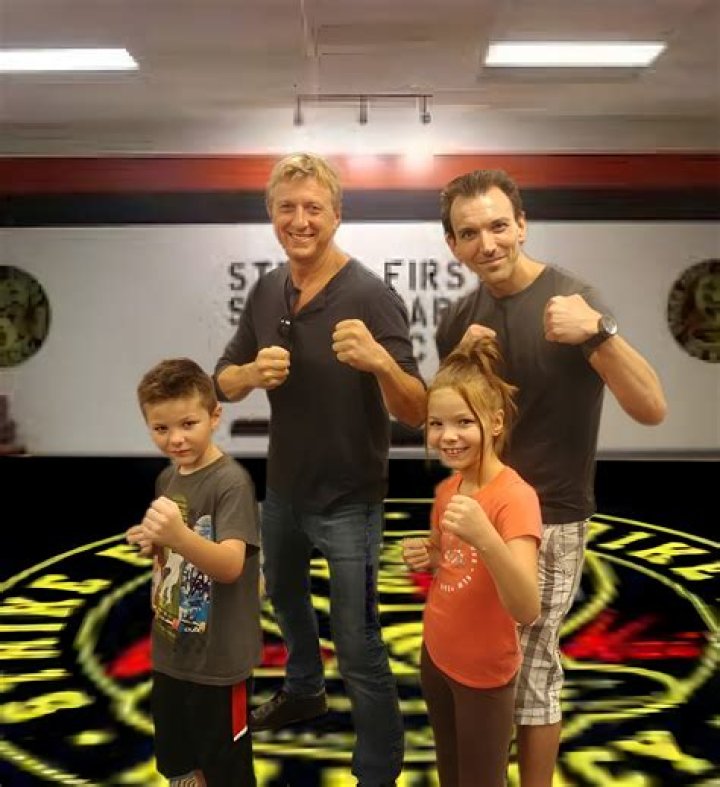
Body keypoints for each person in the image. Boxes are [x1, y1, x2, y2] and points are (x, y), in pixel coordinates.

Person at [435, 169, 667, 787]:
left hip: (552, 515)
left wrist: (600, 333)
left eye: (498, 226)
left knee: (531, 667)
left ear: (522, 225)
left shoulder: (575, 300)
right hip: (480, 510)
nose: (487, 243)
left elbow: (651, 408)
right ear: (453, 245)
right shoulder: (459, 317)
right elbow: (455, 422)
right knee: (479, 657)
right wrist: (458, 359)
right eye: (469, 233)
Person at [213, 152, 426, 786]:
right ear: (271, 215)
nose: (300, 220)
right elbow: (222, 380)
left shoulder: (371, 295)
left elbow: (418, 410)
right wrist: (250, 374)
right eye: (288, 208)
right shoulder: (267, 290)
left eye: (314, 208)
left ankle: (378, 770)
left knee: (358, 644)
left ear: (336, 215)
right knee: (283, 598)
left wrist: (380, 363)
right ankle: (304, 690)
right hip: (283, 490)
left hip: (350, 498)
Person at [403, 335, 541, 787]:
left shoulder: (516, 498)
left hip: (484, 671)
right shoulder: (449, 489)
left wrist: (485, 536)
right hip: (436, 655)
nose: (448, 436)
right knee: (450, 774)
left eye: (464, 421)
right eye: (436, 424)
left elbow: (527, 607)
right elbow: (455, 559)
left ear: (496, 423)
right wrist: (431, 555)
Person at [126, 357, 262, 787]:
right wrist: (153, 542)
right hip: (172, 650)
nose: (176, 439)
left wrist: (178, 536)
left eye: (188, 424)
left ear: (214, 416)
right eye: (161, 428)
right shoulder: (168, 479)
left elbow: (231, 565)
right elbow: (174, 554)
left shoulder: (231, 483)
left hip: (219, 661)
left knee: (226, 768)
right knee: (177, 759)